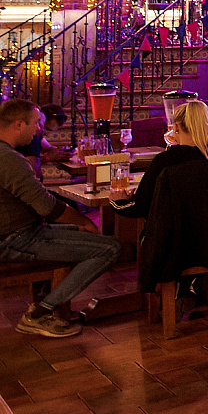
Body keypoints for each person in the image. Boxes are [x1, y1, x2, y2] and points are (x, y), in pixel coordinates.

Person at [0, 100, 121, 337]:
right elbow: (47, 207)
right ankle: (40, 313)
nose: (39, 130)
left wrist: (79, 226)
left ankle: (46, 301)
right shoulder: (9, 159)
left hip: (22, 233)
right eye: (36, 123)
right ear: (19, 124)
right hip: (14, 240)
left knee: (83, 236)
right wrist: (84, 221)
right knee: (111, 248)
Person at [128, 100, 208, 314]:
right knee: (190, 229)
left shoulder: (165, 161)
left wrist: (117, 201)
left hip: (176, 245)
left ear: (176, 127)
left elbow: (141, 206)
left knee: (159, 232)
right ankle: (199, 283)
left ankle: (184, 291)